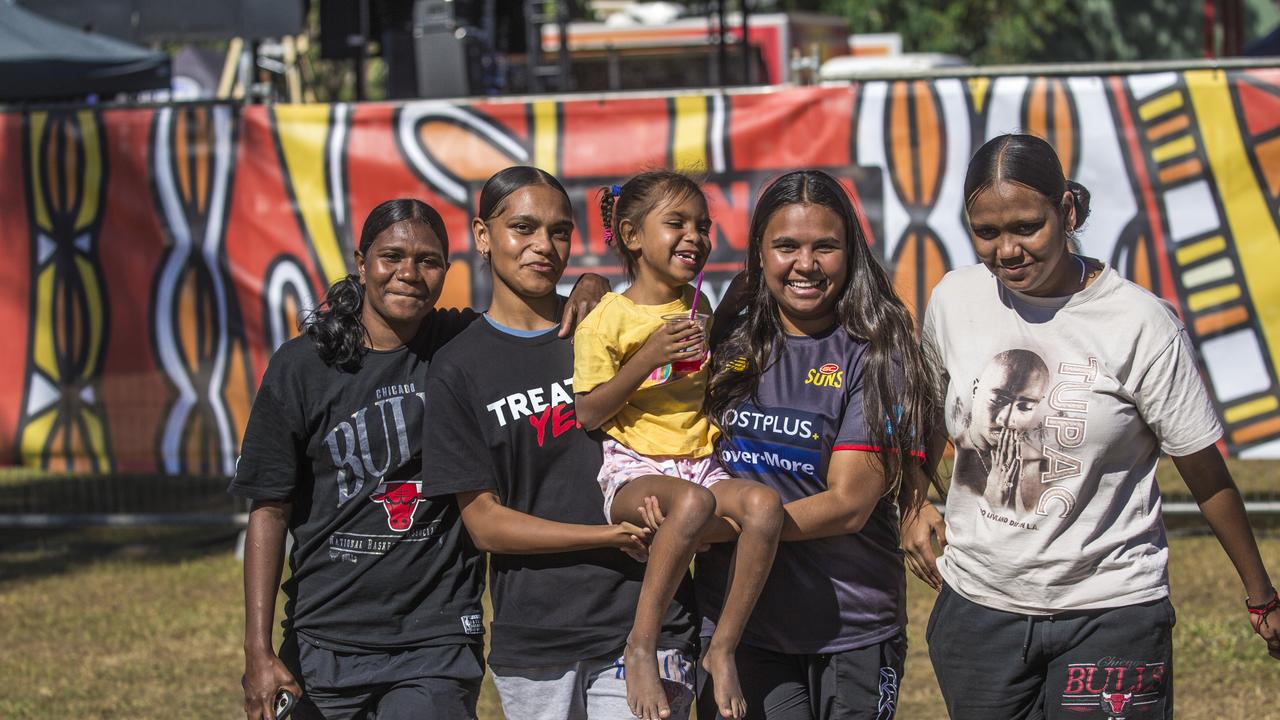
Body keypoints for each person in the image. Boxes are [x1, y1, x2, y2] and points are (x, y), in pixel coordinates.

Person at [901, 133, 1280, 720]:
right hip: (978, 613)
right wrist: (911, 503)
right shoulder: (954, 298)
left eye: (1027, 226)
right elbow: (929, 413)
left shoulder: (1141, 325)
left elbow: (1204, 473)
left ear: (1068, 212)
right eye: (987, 232)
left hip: (1112, 611)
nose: (1007, 250)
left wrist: (1261, 596)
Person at [231, 198, 608, 720]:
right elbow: (269, 510)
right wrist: (257, 649)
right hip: (325, 637)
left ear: (445, 272)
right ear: (361, 262)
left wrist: (593, 286)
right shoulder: (302, 366)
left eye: (428, 261)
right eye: (391, 257)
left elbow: (533, 319)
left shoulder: (465, 346)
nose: (409, 273)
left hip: (436, 638)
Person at [419, 166, 700, 720]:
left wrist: (594, 286)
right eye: (523, 228)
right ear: (482, 236)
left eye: (559, 232)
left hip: (648, 617)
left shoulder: (608, 323)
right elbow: (484, 523)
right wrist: (606, 534)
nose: (542, 246)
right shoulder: (457, 367)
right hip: (538, 632)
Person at [698, 170, 939, 720]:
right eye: (786, 246)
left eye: (824, 246)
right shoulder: (724, 337)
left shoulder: (878, 351)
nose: (805, 264)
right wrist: (591, 282)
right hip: (738, 627)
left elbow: (849, 504)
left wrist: (710, 528)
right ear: (759, 252)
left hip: (850, 628)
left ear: (850, 252)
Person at [573, 171, 786, 720]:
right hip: (634, 468)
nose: (695, 236)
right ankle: (641, 644)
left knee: (764, 507)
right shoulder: (607, 319)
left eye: (703, 226)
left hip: (700, 467)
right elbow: (590, 411)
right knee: (693, 506)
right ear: (631, 235)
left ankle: (722, 648)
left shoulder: (700, 305)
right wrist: (646, 357)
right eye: (676, 223)